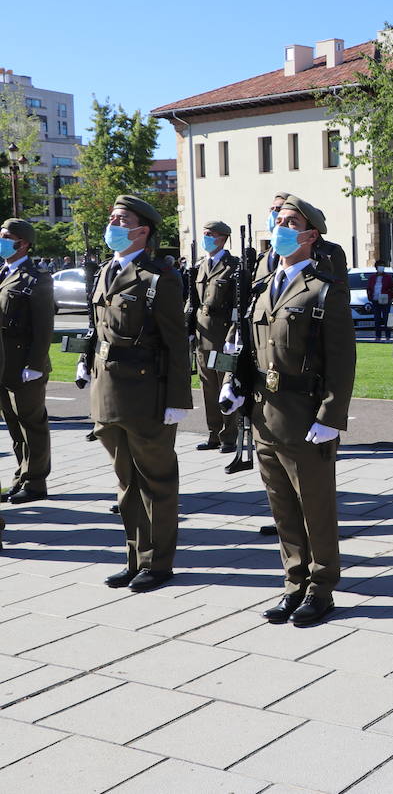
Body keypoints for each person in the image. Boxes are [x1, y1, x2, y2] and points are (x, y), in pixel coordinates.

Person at [222, 196, 356, 627]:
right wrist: (232, 383)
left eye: (290, 222)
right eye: (278, 220)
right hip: (265, 413)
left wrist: (331, 417)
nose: (280, 227)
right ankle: (293, 583)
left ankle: (321, 588)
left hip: (305, 413)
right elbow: (244, 348)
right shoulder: (261, 286)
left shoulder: (323, 288)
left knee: (315, 506)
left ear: (310, 235)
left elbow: (342, 360)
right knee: (281, 506)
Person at [79, 195, 193, 593]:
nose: (112, 223)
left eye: (120, 219)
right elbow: (99, 331)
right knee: (126, 483)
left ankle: (158, 564)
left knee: (156, 482)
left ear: (142, 231)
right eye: (112, 217)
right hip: (108, 395)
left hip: (147, 394)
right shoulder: (106, 271)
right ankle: (134, 558)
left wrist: (179, 400)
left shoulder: (158, 279)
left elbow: (178, 344)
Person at [0, 219, 54, 504]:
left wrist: (33, 365)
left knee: (31, 424)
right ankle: (21, 476)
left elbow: (44, 327)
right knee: (14, 426)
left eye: (7, 237)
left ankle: (35, 483)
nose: (2, 240)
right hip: (4, 365)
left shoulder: (37, 277)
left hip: (24, 366)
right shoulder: (3, 273)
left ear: (23, 243)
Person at [187, 222, 239, 455]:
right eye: (204, 234)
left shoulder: (233, 266)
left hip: (222, 337)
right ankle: (213, 433)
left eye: (210, 235)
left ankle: (229, 437)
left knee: (224, 386)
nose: (206, 238)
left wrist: (233, 336)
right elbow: (193, 301)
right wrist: (186, 328)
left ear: (223, 238)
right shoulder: (200, 266)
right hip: (202, 337)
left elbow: (238, 305)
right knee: (207, 388)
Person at [256, 192, 349, 282]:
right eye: (271, 209)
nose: (274, 213)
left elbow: (337, 289)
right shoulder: (262, 257)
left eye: (278, 209)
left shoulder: (329, 252)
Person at [366, 262, 393, 340]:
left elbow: (392, 287)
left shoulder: (388, 277)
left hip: (385, 299)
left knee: (386, 318)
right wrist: (370, 296)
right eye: (379, 266)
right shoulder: (372, 277)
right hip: (375, 300)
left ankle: (387, 336)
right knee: (377, 319)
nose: (381, 267)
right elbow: (369, 288)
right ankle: (378, 336)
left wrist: (389, 295)